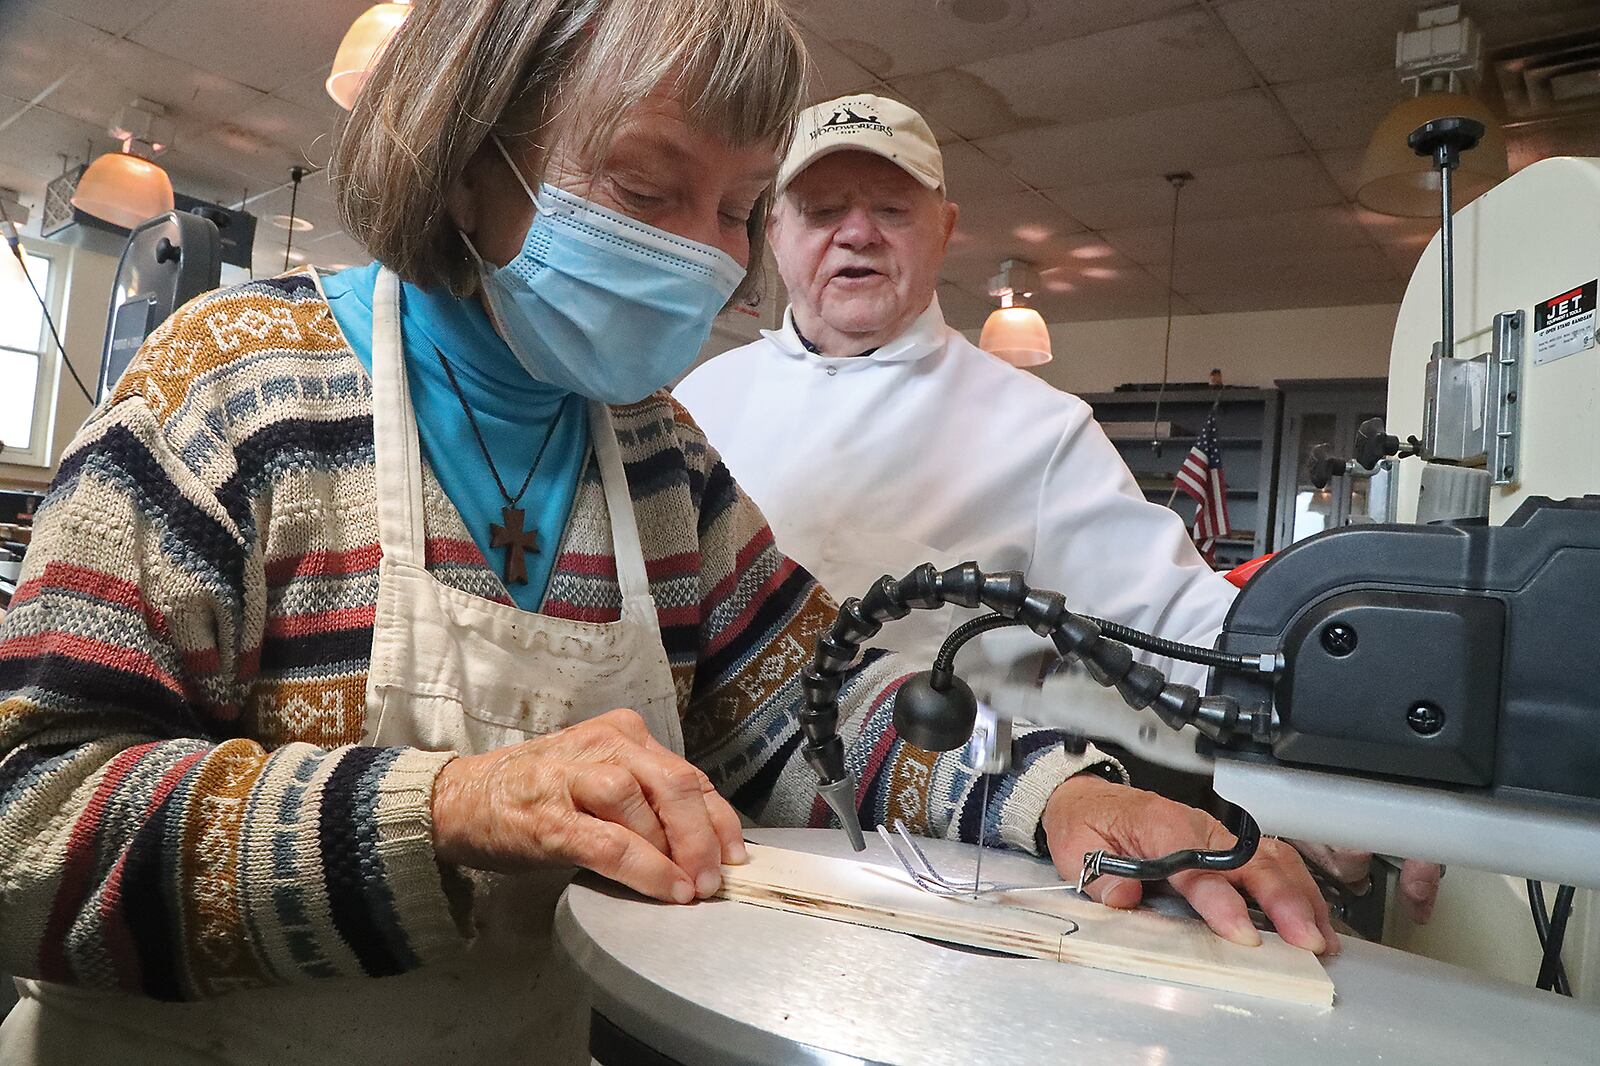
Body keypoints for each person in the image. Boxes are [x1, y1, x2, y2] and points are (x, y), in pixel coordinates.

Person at [0, 7, 1338, 1060]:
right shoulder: (235, 391)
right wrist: (450, 806)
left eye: (741, 207)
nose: (709, 257)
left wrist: (1066, 797)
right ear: (473, 160)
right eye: (649, 191)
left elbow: (818, 718)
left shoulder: (656, 456)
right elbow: (25, 827)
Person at [675, 93, 1442, 925]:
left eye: (890, 209)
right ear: (774, 231)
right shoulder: (700, 397)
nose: (856, 232)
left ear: (945, 227)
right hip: (712, 835)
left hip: (937, 842)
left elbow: (1183, 619)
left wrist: (1358, 731)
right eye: (822, 210)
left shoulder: (1032, 425)